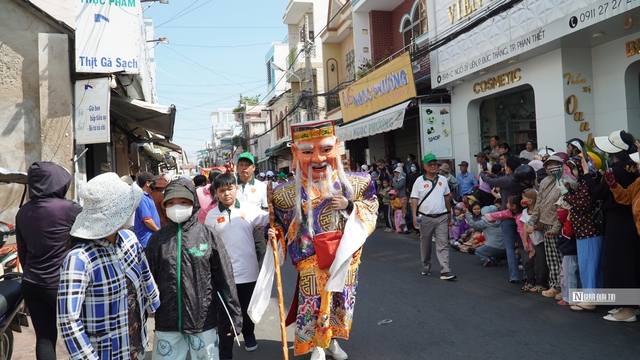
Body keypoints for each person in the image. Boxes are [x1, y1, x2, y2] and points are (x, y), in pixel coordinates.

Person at [253, 119, 378, 360]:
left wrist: (350, 205)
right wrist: (275, 234)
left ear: (337, 146)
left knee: (339, 303)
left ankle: (331, 342)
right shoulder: (283, 194)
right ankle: (316, 346)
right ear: (295, 152)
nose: (318, 159)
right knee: (311, 303)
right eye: (308, 152)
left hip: (344, 256)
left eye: (326, 149)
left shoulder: (357, 183)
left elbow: (371, 208)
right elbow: (278, 224)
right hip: (309, 259)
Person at [57, 173, 160, 360]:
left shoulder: (130, 240)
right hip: (105, 353)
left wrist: (155, 304)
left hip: (135, 345)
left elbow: (145, 274)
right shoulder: (79, 259)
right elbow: (69, 320)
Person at [145, 177, 242, 360]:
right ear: (164, 205)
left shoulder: (207, 235)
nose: (177, 206)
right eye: (171, 202)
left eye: (183, 202)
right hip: (167, 321)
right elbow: (147, 280)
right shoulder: (157, 240)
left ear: (194, 203)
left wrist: (233, 315)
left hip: (202, 320)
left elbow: (225, 277)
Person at [15, 162, 82, 360]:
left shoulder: (23, 212)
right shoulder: (70, 209)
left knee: (45, 338)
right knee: (80, 336)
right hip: (62, 285)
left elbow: (23, 253)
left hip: (32, 284)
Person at [205, 173, 270, 357]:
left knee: (247, 308)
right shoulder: (212, 215)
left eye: (230, 189)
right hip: (224, 273)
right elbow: (208, 242)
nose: (227, 194)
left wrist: (273, 226)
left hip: (248, 270)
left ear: (236, 188)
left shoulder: (250, 209)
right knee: (224, 314)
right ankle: (225, 352)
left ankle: (249, 334)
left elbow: (268, 220)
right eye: (222, 190)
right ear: (216, 193)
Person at [588, 130, 640, 322]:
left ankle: (627, 310)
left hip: (618, 223)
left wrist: (589, 176)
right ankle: (628, 307)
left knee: (620, 265)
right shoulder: (633, 169)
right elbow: (625, 196)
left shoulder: (617, 170)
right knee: (629, 264)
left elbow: (596, 193)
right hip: (631, 221)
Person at [529, 155, 576, 299]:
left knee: (563, 258)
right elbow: (539, 202)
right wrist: (533, 219)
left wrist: (556, 228)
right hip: (545, 222)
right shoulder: (544, 181)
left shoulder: (569, 181)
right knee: (552, 259)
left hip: (562, 224)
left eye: (556, 164)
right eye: (549, 165)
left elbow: (565, 205)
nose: (552, 167)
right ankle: (555, 285)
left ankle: (564, 288)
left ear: (562, 165)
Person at [481, 158, 531, 284]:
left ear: (510, 168)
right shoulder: (522, 180)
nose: (505, 168)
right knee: (523, 245)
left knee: (509, 247)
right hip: (521, 216)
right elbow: (495, 178)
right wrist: (491, 174)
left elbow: (489, 181)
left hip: (506, 216)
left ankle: (514, 276)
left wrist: (482, 173)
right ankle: (527, 274)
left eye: (506, 166)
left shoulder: (508, 180)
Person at [563, 157, 603, 311]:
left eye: (574, 167)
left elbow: (582, 204)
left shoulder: (587, 182)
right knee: (595, 267)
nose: (572, 170)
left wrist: (566, 194)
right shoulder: (590, 180)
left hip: (587, 230)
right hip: (590, 230)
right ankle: (597, 298)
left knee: (588, 266)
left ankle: (590, 300)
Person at [411, 153, 457, 280]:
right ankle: (426, 266)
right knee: (425, 244)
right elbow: (414, 200)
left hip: (441, 217)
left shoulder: (442, 180)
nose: (433, 166)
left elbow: (447, 198)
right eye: (430, 164)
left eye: (435, 164)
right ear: (425, 166)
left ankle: (445, 270)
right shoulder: (419, 181)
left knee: (443, 244)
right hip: (425, 217)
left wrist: (449, 214)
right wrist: (414, 216)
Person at [235, 152, 268, 268]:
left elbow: (266, 208)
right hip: (236, 227)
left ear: (253, 168)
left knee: (260, 254)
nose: (244, 168)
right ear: (237, 167)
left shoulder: (261, 186)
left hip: (256, 229)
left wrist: (261, 224)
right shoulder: (231, 186)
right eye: (241, 165)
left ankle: (259, 283)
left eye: (247, 165)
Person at [519, 189, 549, 293]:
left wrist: (535, 227)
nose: (522, 200)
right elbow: (524, 227)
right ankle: (531, 281)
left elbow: (541, 227)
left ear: (530, 201)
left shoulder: (539, 212)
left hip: (540, 241)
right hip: (532, 241)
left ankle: (542, 283)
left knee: (540, 263)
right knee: (527, 262)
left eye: (523, 198)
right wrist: (525, 241)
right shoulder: (524, 212)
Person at [134, 171, 161, 248]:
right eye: (153, 181)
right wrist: (158, 231)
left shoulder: (147, 196)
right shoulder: (142, 198)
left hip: (151, 238)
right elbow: (147, 220)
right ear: (147, 183)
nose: (154, 183)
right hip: (146, 240)